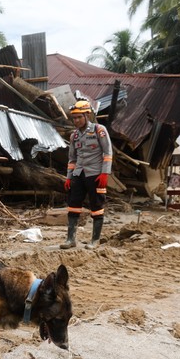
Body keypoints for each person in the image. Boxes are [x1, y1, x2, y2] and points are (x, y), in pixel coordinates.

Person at [61, 99, 113, 249]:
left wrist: (105, 173)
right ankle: (71, 240)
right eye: (74, 118)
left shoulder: (99, 130)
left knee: (97, 206)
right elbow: (72, 158)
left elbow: (108, 152)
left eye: (79, 117)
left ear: (87, 115)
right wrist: (69, 177)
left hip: (95, 174)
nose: (76, 120)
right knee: (73, 206)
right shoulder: (74, 136)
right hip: (79, 174)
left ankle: (95, 241)